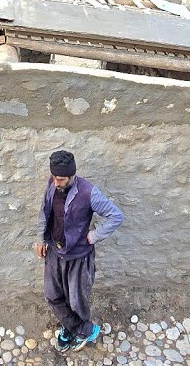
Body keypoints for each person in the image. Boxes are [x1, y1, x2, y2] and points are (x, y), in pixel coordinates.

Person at [35, 150, 124, 353]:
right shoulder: (51, 184)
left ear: (72, 175)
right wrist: (40, 238)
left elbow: (116, 216)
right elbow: (44, 211)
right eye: (54, 178)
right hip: (54, 253)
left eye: (61, 179)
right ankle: (81, 329)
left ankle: (80, 329)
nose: (56, 183)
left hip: (78, 257)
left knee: (76, 300)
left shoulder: (88, 192)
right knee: (52, 295)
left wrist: (93, 236)